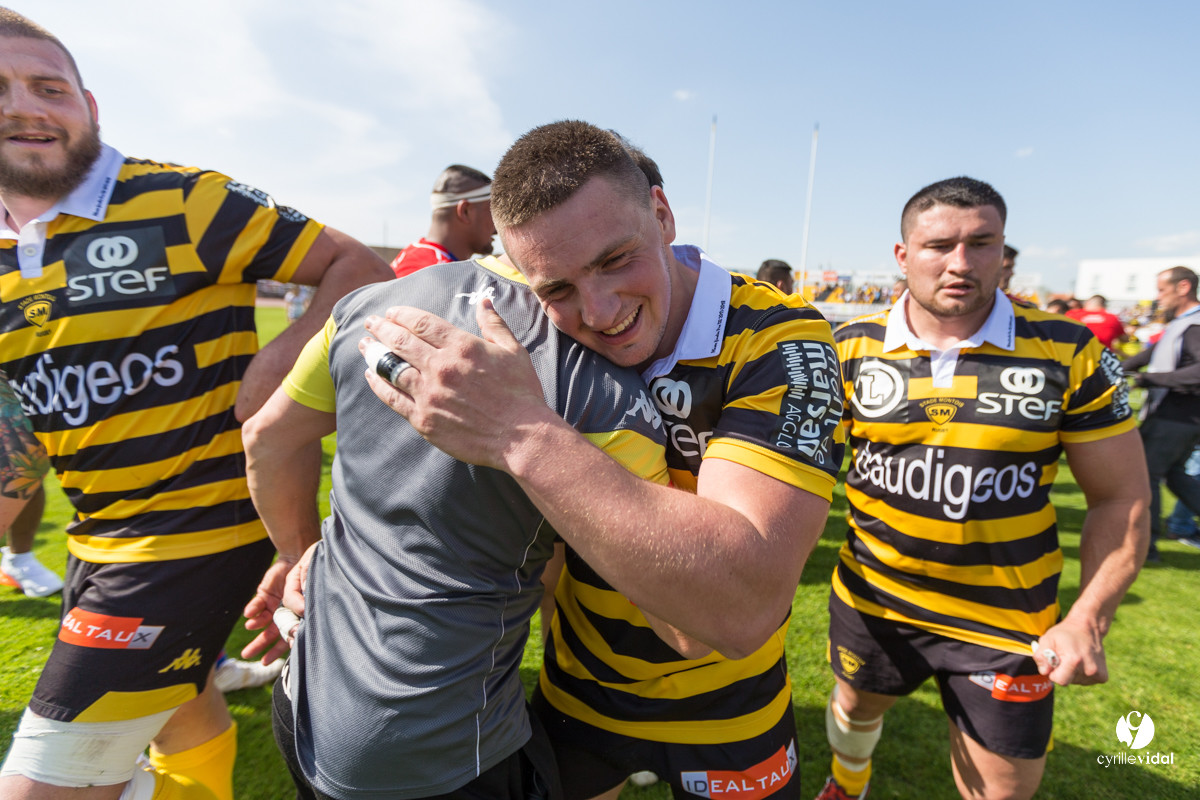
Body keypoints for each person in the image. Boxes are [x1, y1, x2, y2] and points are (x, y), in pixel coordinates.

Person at [363, 120, 845, 799]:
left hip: (732, 708)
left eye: (616, 259)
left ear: (662, 212)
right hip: (579, 692)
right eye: (556, 289)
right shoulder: (530, 327)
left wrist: (523, 434)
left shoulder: (783, 339)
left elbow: (736, 610)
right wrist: (312, 559)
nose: (600, 310)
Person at [0, 9, 392, 799]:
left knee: (41, 785)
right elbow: (30, 405)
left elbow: (357, 263)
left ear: (90, 106)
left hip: (201, 532)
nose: (27, 107)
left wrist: (283, 358)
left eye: (49, 87)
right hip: (97, 538)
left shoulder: (185, 200)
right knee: (184, 713)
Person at [241, 254, 670, 800]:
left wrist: (296, 552)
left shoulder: (368, 306)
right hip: (434, 744)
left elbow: (264, 440)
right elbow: (685, 624)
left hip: (305, 704)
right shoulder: (596, 378)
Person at [820, 177, 1148, 800]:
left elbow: (1122, 497)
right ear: (902, 255)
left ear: (1004, 251)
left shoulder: (1068, 351)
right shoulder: (848, 347)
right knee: (856, 710)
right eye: (939, 245)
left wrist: (1086, 620)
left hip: (1007, 623)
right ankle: (848, 781)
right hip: (875, 602)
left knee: (1000, 790)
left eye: (981, 243)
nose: (961, 264)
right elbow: (803, 480)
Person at [1123, 266, 1200, 560]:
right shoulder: (1182, 323)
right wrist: (1111, 367)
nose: (1157, 297)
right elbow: (1151, 354)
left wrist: (1149, 379)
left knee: (1145, 475)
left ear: (1183, 287)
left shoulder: (1195, 325)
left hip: (1177, 416)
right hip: (1179, 415)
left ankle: (1146, 547)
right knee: (1174, 475)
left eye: (1161, 290)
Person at [390, 164, 496, 278]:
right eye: (494, 211)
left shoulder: (411, 256)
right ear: (465, 211)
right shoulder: (441, 277)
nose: (498, 227)